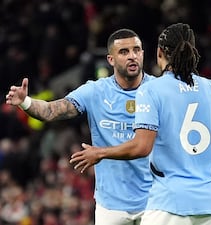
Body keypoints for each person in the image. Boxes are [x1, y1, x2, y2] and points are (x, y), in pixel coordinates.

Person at [69, 23, 211, 225]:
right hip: (210, 204)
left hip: (170, 203)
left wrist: (101, 152)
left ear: (160, 54)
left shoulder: (152, 90)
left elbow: (141, 147)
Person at [5, 28, 154, 225]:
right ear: (110, 59)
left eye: (137, 50)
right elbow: (51, 111)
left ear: (143, 53)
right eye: (124, 52)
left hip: (154, 201)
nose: (132, 56)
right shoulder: (95, 91)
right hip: (111, 206)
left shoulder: (158, 90)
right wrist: (26, 102)